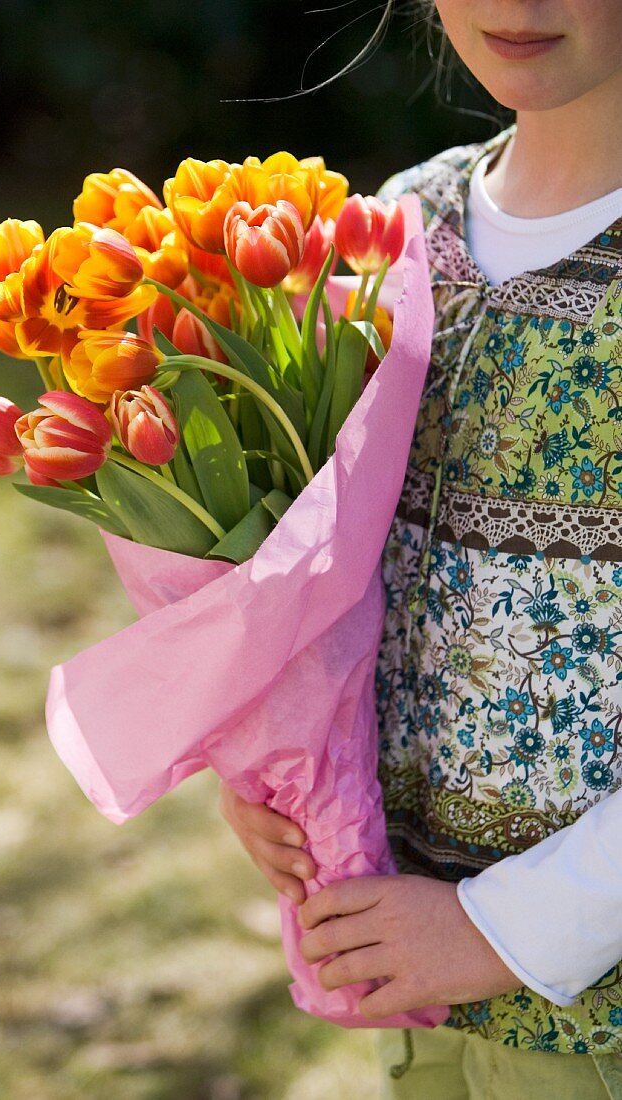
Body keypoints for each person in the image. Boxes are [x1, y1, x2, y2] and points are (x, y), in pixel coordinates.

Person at [220, 1, 622, 1096]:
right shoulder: (388, 230)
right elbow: (340, 577)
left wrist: (508, 928)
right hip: (413, 977)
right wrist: (270, 767)